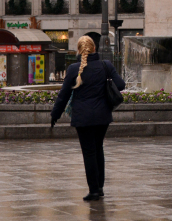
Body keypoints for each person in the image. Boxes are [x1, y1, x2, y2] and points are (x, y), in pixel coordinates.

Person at [51, 36, 125, 200]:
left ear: (79, 50)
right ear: (94, 48)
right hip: (102, 116)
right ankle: (99, 187)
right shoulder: (106, 65)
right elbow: (121, 85)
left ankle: (93, 190)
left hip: (83, 118)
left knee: (89, 152)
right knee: (98, 149)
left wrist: (55, 115)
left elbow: (63, 96)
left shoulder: (74, 69)